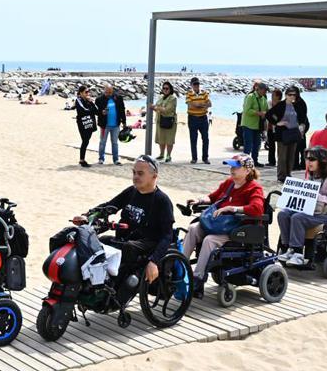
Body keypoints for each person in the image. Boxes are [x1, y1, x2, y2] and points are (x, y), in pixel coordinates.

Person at [73, 155, 175, 284]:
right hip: (126, 240)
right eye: (134, 173)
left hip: (148, 242)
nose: (135, 177)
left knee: (128, 247)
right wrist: (88, 216)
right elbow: (109, 206)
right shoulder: (131, 192)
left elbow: (167, 235)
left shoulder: (162, 201)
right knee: (98, 243)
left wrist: (154, 261)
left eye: (140, 173)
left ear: (154, 176)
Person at [181, 153, 264, 280]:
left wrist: (232, 208)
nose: (232, 170)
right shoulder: (229, 182)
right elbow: (213, 197)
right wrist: (199, 201)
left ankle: (198, 277)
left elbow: (257, 209)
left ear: (247, 170)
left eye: (236, 167)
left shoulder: (254, 188)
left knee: (209, 240)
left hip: (234, 228)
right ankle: (178, 267)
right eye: (231, 167)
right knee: (193, 228)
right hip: (218, 224)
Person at [277, 146, 327, 267]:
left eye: (312, 159)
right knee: (283, 214)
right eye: (307, 159)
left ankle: (298, 253)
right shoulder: (311, 174)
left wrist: (315, 196)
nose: (308, 162)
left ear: (322, 161)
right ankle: (288, 248)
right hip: (312, 210)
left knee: (298, 218)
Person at [265, 86, 307, 183]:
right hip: (283, 133)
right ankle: (281, 176)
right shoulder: (281, 105)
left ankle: (288, 174)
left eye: (294, 95)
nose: (292, 96)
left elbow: (302, 117)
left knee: (291, 155)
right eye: (290, 95)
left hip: (294, 132)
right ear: (286, 95)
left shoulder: (298, 105)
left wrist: (301, 127)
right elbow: (269, 114)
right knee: (282, 156)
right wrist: (278, 122)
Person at [95, 83, 127, 166]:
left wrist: (124, 122)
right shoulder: (99, 99)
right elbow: (96, 112)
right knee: (102, 142)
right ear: (104, 91)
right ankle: (101, 159)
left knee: (115, 143)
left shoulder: (118, 98)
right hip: (104, 125)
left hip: (116, 125)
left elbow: (122, 110)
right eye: (107, 92)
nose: (108, 94)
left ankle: (116, 160)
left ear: (112, 91)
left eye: (110, 92)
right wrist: (102, 112)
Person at [240, 82, 269, 167]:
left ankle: (254, 161)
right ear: (258, 89)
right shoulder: (250, 97)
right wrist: (258, 113)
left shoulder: (263, 98)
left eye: (266, 91)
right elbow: (246, 110)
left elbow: (266, 109)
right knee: (248, 145)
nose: (265, 92)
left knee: (257, 144)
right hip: (248, 124)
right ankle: (245, 162)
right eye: (264, 90)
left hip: (257, 125)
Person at [185, 77, 211, 164]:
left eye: (197, 84)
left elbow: (210, 104)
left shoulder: (204, 93)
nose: (196, 86)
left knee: (205, 139)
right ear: (191, 85)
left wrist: (198, 104)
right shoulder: (189, 93)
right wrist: (203, 104)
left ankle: (205, 158)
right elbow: (190, 105)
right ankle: (194, 158)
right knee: (193, 139)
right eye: (194, 84)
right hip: (193, 118)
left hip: (203, 118)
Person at [153, 81, 178, 163]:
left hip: (169, 121)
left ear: (170, 89)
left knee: (169, 139)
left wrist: (157, 107)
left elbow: (167, 109)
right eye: (164, 88)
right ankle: (161, 154)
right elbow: (157, 107)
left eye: (167, 88)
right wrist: (157, 107)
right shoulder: (160, 97)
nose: (165, 90)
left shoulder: (173, 98)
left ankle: (168, 155)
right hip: (160, 120)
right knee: (161, 138)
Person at [74, 86, 97, 168]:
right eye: (86, 92)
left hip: (90, 123)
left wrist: (91, 103)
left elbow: (96, 111)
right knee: (85, 141)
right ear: (80, 93)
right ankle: (82, 160)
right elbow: (83, 110)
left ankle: (82, 159)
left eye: (88, 92)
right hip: (82, 123)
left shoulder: (88, 101)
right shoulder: (78, 100)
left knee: (86, 141)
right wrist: (90, 108)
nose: (88, 93)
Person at [265, 89, 282, 167]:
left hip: (278, 128)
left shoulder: (282, 105)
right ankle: (271, 161)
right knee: (271, 145)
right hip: (270, 127)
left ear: (278, 97)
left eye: (273, 95)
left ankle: (280, 162)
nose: (271, 96)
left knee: (280, 146)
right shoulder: (269, 103)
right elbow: (267, 113)